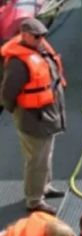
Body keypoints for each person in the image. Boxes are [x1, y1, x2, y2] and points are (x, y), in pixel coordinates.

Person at [0, 18, 67, 215]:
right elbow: (8, 93)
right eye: (37, 36)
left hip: (47, 115)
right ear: (25, 35)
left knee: (46, 154)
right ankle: (34, 200)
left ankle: (44, 187)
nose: (41, 39)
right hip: (33, 118)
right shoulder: (17, 63)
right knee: (36, 159)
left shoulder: (39, 49)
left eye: (43, 36)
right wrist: (18, 111)